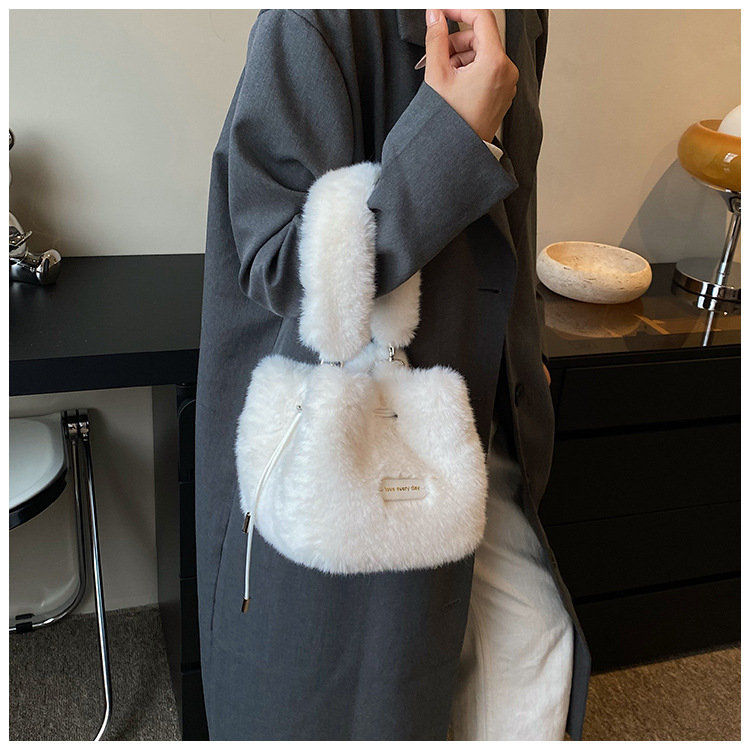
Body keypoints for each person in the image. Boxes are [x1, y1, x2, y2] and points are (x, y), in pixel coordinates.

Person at [196, 8, 590, 740]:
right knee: (363, 700)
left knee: (534, 668)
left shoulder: (524, 18)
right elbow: (276, 263)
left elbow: (515, 204)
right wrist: (452, 136)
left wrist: (524, 337)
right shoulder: (316, 24)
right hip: (351, 439)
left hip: (482, 425)